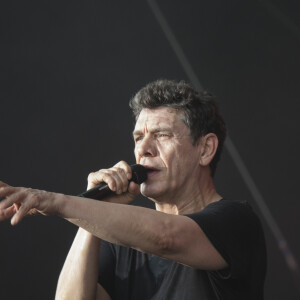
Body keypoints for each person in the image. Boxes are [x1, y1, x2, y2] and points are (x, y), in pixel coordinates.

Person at [0, 79, 266, 300]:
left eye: (162, 135)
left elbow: (167, 237)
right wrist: (96, 204)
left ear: (205, 149)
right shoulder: (120, 247)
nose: (144, 149)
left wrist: (55, 201)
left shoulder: (237, 222)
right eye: (139, 137)